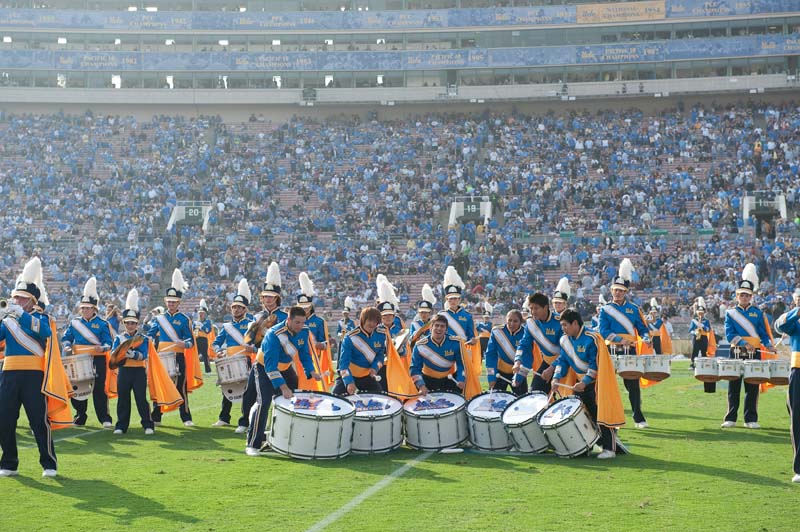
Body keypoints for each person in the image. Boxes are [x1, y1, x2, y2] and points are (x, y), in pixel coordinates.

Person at [0, 257, 60, 478]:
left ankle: (49, 463)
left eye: (21, 298)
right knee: (4, 418)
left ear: (31, 301)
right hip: (8, 374)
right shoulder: (8, 320)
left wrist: (21, 314)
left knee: (38, 421)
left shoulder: (40, 317)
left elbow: (44, 333)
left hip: (34, 375)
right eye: (15, 296)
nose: (15, 300)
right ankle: (9, 462)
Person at [245, 306, 320, 456]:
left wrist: (311, 371)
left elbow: (304, 353)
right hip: (264, 368)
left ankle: (283, 439)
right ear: (289, 320)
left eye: (302, 322)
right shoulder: (273, 335)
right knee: (264, 403)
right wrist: (283, 387)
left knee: (293, 401)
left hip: (285, 368)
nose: (300, 326)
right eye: (297, 322)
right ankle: (253, 443)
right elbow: (271, 366)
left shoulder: (304, 331)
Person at [551, 309, 625, 460]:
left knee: (601, 415)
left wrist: (584, 382)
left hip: (597, 384)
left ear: (575, 323)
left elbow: (595, 365)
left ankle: (610, 449)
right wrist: (556, 377)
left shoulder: (592, 338)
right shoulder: (564, 340)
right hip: (579, 384)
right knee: (583, 416)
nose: (563, 329)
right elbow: (562, 361)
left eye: (565, 325)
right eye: (562, 325)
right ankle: (587, 445)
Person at [599, 258, 651, 429]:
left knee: (633, 386)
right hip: (610, 350)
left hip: (630, 350)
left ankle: (638, 418)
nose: (618, 293)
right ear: (611, 290)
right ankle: (610, 418)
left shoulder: (634, 309)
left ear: (626, 291)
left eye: (621, 290)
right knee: (608, 386)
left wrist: (645, 337)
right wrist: (619, 339)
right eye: (615, 290)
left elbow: (642, 328)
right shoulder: (605, 309)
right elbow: (603, 331)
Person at [721, 264, 775, 429]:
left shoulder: (758, 313)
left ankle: (750, 418)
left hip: (754, 355)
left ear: (751, 297)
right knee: (733, 386)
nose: (744, 297)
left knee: (752, 387)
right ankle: (731, 418)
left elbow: (764, 335)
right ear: (737, 296)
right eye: (741, 295)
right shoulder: (730, 313)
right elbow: (729, 334)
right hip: (736, 352)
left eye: (747, 295)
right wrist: (745, 344)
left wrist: (769, 346)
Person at [148, 268, 201, 427]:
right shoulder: (159, 319)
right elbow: (151, 334)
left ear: (179, 303)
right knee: (159, 385)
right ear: (165, 302)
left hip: (178, 357)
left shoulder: (184, 319)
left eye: (173, 302)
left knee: (180, 386)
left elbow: (191, 341)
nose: (171, 304)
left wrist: (183, 344)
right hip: (161, 357)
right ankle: (156, 416)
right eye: (169, 301)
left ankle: (185, 417)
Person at [240, 262, 286, 434]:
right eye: (265, 296)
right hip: (260, 358)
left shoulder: (284, 316)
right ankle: (244, 421)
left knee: (277, 394)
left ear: (277, 298)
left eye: (271, 296)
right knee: (249, 391)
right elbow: (249, 338)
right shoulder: (258, 316)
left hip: (278, 360)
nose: (267, 299)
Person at [61, 277, 114, 428]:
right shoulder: (75, 322)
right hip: (78, 359)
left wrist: (102, 348)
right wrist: (67, 346)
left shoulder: (103, 324)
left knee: (98, 389)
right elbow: (66, 338)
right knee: (78, 388)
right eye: (83, 308)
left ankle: (104, 417)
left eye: (88, 308)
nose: (84, 310)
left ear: (94, 309)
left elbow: (108, 343)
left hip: (97, 359)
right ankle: (80, 415)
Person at [211, 279, 255, 431]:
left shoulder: (251, 323)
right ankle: (224, 418)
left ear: (245, 310)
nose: (236, 310)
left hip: (246, 360)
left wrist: (253, 349)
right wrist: (219, 351)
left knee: (247, 391)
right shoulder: (227, 326)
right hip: (230, 362)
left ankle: (246, 420)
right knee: (227, 390)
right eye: (234, 307)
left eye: (239, 307)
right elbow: (216, 343)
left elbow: (258, 343)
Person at [112, 289, 155, 436]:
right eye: (128, 323)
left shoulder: (143, 338)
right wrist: (119, 355)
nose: (130, 325)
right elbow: (113, 353)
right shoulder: (119, 338)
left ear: (137, 324)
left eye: (133, 323)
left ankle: (148, 424)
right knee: (123, 399)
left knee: (141, 399)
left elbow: (144, 355)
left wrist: (132, 354)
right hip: (124, 371)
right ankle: (121, 426)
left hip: (138, 371)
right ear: (124, 323)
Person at [773, 288, 800, 483]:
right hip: (798, 370)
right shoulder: (794, 320)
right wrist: (796, 311)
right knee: (797, 418)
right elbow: (779, 326)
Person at [514, 292, 563, 394]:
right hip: (547, 362)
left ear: (545, 307)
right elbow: (524, 344)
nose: (532, 312)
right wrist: (518, 361)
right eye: (531, 308)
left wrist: (552, 368)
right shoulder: (531, 323)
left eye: (536, 308)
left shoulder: (560, 322)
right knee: (535, 394)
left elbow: (566, 351)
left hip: (564, 363)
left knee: (568, 398)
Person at [332, 307, 386, 395]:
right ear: (363, 320)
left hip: (367, 376)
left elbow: (380, 357)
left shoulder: (381, 335)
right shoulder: (350, 337)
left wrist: (375, 368)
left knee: (379, 397)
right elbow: (343, 364)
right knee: (335, 398)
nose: (372, 324)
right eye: (370, 321)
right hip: (350, 375)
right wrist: (349, 382)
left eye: (375, 321)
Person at [410, 314, 465, 395]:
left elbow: (462, 365)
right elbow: (415, 368)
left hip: (449, 380)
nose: (439, 328)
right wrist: (421, 385)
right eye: (436, 325)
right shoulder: (420, 345)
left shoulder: (456, 343)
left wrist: (461, 379)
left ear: (446, 329)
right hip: (427, 380)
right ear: (430, 328)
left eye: (442, 326)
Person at [297, 272, 334, 390]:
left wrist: (318, 344)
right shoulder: (294, 321)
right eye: (302, 307)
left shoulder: (319, 321)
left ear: (311, 306)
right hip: (297, 360)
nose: (304, 310)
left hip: (315, 359)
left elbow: (325, 343)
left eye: (306, 307)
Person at [486, 310, 526, 395]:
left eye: (515, 321)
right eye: (509, 320)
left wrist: (520, 376)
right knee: (495, 401)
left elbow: (527, 356)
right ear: (506, 320)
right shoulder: (497, 332)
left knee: (522, 401)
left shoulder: (526, 333)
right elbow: (490, 355)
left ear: (521, 322)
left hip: (518, 371)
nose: (511, 324)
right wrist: (491, 377)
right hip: (500, 372)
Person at [439, 266, 477, 346]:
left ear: (459, 299)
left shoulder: (467, 315)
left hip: (462, 350)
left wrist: (473, 340)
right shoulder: (441, 315)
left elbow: (471, 336)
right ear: (447, 300)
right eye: (450, 299)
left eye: (455, 298)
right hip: (445, 350)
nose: (453, 301)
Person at [689, 298, 712, 369]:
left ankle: (704, 365)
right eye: (699, 312)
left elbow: (709, 329)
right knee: (694, 351)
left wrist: (703, 327)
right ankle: (692, 364)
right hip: (696, 337)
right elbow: (690, 330)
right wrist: (694, 332)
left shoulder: (706, 321)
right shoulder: (694, 321)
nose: (700, 313)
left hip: (704, 337)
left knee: (704, 351)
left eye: (702, 312)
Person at [194, 300, 214, 374]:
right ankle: (195, 370)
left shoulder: (207, 322)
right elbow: (193, 330)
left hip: (203, 339)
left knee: (205, 355)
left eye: (202, 313)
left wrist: (202, 326)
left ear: (205, 314)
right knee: (195, 356)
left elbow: (208, 330)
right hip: (196, 339)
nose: (200, 314)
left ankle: (208, 371)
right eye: (199, 313)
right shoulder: (195, 322)